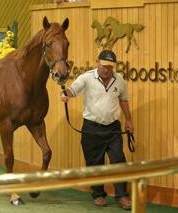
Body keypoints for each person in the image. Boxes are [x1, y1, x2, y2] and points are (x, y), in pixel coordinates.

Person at [60, 49, 133, 210]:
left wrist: (128, 120)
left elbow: (124, 100)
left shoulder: (119, 80)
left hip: (113, 128)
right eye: (105, 66)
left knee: (118, 161)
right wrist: (65, 94)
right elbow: (72, 90)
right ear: (97, 62)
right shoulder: (86, 77)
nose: (107, 70)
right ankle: (98, 194)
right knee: (94, 163)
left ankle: (122, 196)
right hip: (92, 128)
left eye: (110, 67)